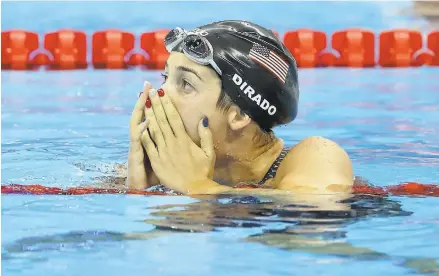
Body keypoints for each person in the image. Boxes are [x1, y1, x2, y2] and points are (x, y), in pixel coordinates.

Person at [127, 20, 353, 195]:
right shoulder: (177, 170)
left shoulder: (315, 157)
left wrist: (197, 187)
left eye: (186, 84)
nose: (159, 94)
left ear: (240, 115)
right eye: (165, 76)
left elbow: (318, 221)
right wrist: (138, 189)